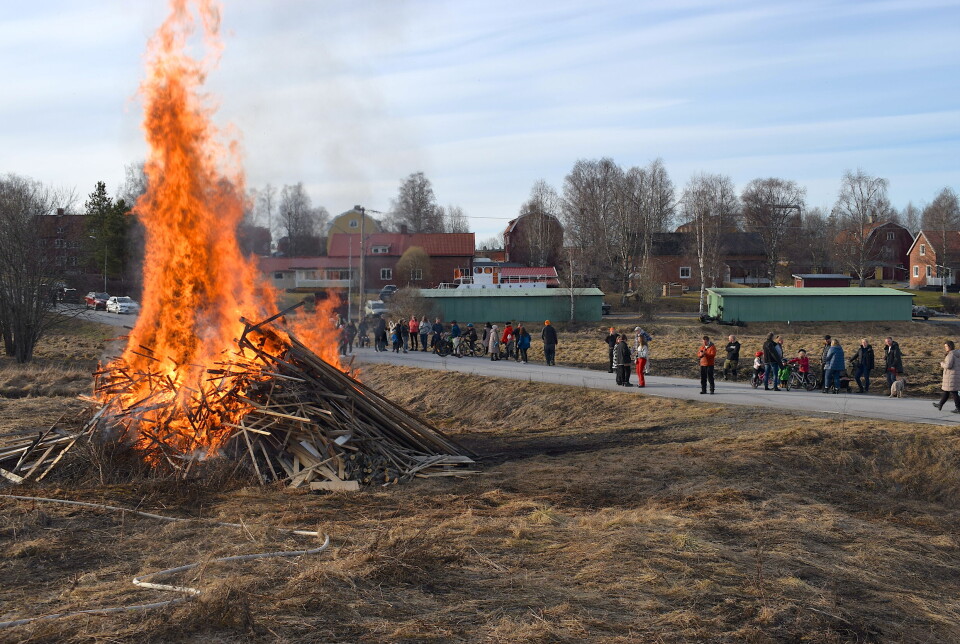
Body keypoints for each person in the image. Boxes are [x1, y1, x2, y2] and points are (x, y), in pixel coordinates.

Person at [933, 340, 960, 413]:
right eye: (944, 346)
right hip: (955, 375)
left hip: (951, 376)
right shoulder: (957, 354)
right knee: (947, 391)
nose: (945, 348)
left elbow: (948, 365)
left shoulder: (951, 354)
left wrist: (942, 364)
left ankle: (958, 408)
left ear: (950, 346)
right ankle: (940, 404)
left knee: (954, 392)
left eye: (946, 346)